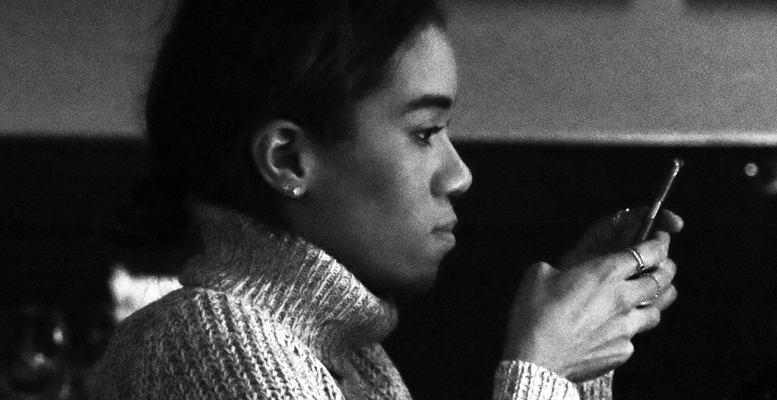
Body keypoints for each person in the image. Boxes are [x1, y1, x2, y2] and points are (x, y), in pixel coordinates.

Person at [92, 0, 682, 398]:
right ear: (288, 160)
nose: (460, 175)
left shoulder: (344, 353)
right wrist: (543, 368)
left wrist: (573, 367)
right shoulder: (208, 343)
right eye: (425, 132)